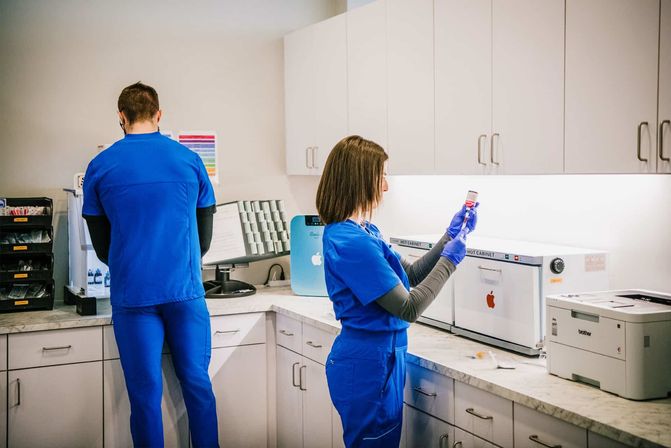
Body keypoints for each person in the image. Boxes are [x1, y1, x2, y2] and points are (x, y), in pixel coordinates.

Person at [316, 135, 477, 448]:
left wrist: (449, 236)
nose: (386, 186)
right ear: (360, 180)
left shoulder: (365, 231)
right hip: (367, 364)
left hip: (383, 357)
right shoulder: (351, 243)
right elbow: (408, 308)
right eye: (382, 177)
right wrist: (451, 260)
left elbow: (411, 274)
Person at [82, 82, 219, 447]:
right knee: (198, 386)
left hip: (134, 297)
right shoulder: (189, 160)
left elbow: (100, 247)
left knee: (144, 398)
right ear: (159, 115)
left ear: (121, 118)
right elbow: (204, 238)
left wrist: (132, 260)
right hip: (185, 294)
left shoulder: (100, 166)